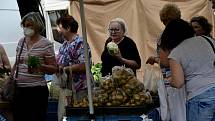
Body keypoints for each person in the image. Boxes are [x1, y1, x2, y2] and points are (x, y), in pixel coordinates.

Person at [159, 18, 215, 121]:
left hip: (200, 97)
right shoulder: (208, 40)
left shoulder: (176, 53)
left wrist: (169, 80)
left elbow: (178, 82)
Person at [12, 12, 58, 121]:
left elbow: (53, 69)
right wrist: (11, 76)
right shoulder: (21, 41)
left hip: (36, 91)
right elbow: (17, 62)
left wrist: (38, 65)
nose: (26, 28)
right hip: (19, 90)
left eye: (29, 25)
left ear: (37, 26)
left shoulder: (46, 44)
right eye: (24, 25)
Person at [146, 4, 186, 121]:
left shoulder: (164, 37)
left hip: (171, 79)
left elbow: (166, 62)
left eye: (165, 21)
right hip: (185, 78)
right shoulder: (187, 35)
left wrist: (155, 59)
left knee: (174, 112)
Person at [56, 15, 92, 120]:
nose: (58, 31)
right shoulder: (64, 44)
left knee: (80, 115)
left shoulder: (80, 43)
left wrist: (65, 69)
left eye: (60, 28)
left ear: (68, 28)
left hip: (81, 88)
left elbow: (84, 65)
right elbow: (60, 62)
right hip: (68, 88)